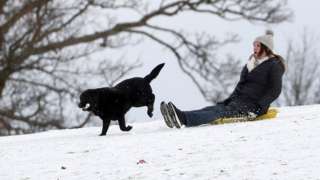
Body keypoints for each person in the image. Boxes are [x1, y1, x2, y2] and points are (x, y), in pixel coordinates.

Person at [160, 31, 285, 128]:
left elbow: (275, 90)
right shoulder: (251, 63)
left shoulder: (274, 65)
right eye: (254, 45)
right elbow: (240, 85)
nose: (254, 48)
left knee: (218, 114)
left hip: (252, 106)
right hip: (238, 101)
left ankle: (182, 118)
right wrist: (229, 99)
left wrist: (259, 108)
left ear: (266, 48)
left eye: (258, 45)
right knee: (212, 109)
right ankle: (177, 115)